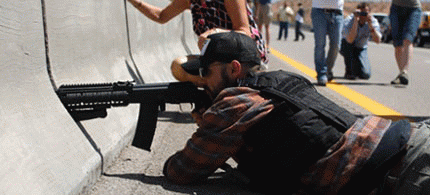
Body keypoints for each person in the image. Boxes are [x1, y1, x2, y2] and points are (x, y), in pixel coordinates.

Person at [162, 31, 430, 194]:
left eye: (206, 72)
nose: (203, 81)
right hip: (410, 140)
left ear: (233, 69)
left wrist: (209, 125)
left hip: (407, 171)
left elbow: (181, 171)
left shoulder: (236, 102)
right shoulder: (286, 80)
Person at [126, 0, 268, 85]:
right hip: (216, 60)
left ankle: (222, 91)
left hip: (243, 58)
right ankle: (213, 91)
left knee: (210, 54)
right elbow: (161, 16)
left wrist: (214, 34)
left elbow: (244, 31)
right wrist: (135, 2)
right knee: (178, 66)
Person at [340, 2, 381, 80]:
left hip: (361, 49)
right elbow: (349, 40)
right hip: (347, 46)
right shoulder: (350, 20)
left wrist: (370, 26)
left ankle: (356, 69)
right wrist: (355, 21)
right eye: (361, 13)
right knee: (348, 46)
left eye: (365, 13)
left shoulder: (373, 21)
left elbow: (378, 41)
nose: (363, 15)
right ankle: (350, 71)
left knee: (366, 74)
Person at [311, 0, 344, 86]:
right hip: (319, 11)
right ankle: (321, 73)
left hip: (337, 12)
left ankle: (327, 70)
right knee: (320, 44)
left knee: (336, 45)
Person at [389, 0, 422, 85]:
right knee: (398, 45)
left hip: (413, 8)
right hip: (396, 8)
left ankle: (404, 72)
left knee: (408, 39)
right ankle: (401, 75)